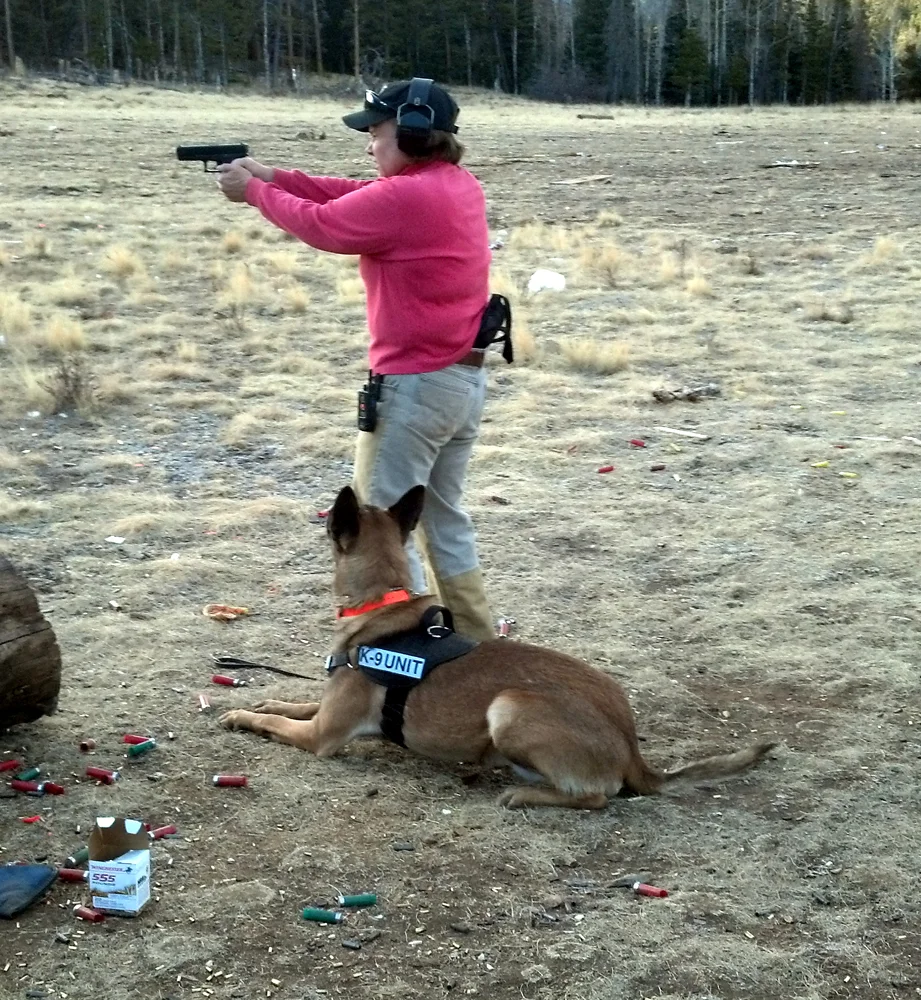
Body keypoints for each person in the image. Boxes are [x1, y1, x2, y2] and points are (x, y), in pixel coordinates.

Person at [215, 79, 496, 641]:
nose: (370, 144)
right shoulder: (454, 184)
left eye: (377, 131)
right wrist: (274, 177)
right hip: (459, 384)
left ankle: (401, 660)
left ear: (412, 134)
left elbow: (326, 224)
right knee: (443, 523)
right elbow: (352, 193)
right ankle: (473, 642)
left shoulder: (405, 197)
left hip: (414, 389)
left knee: (377, 534)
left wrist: (254, 194)